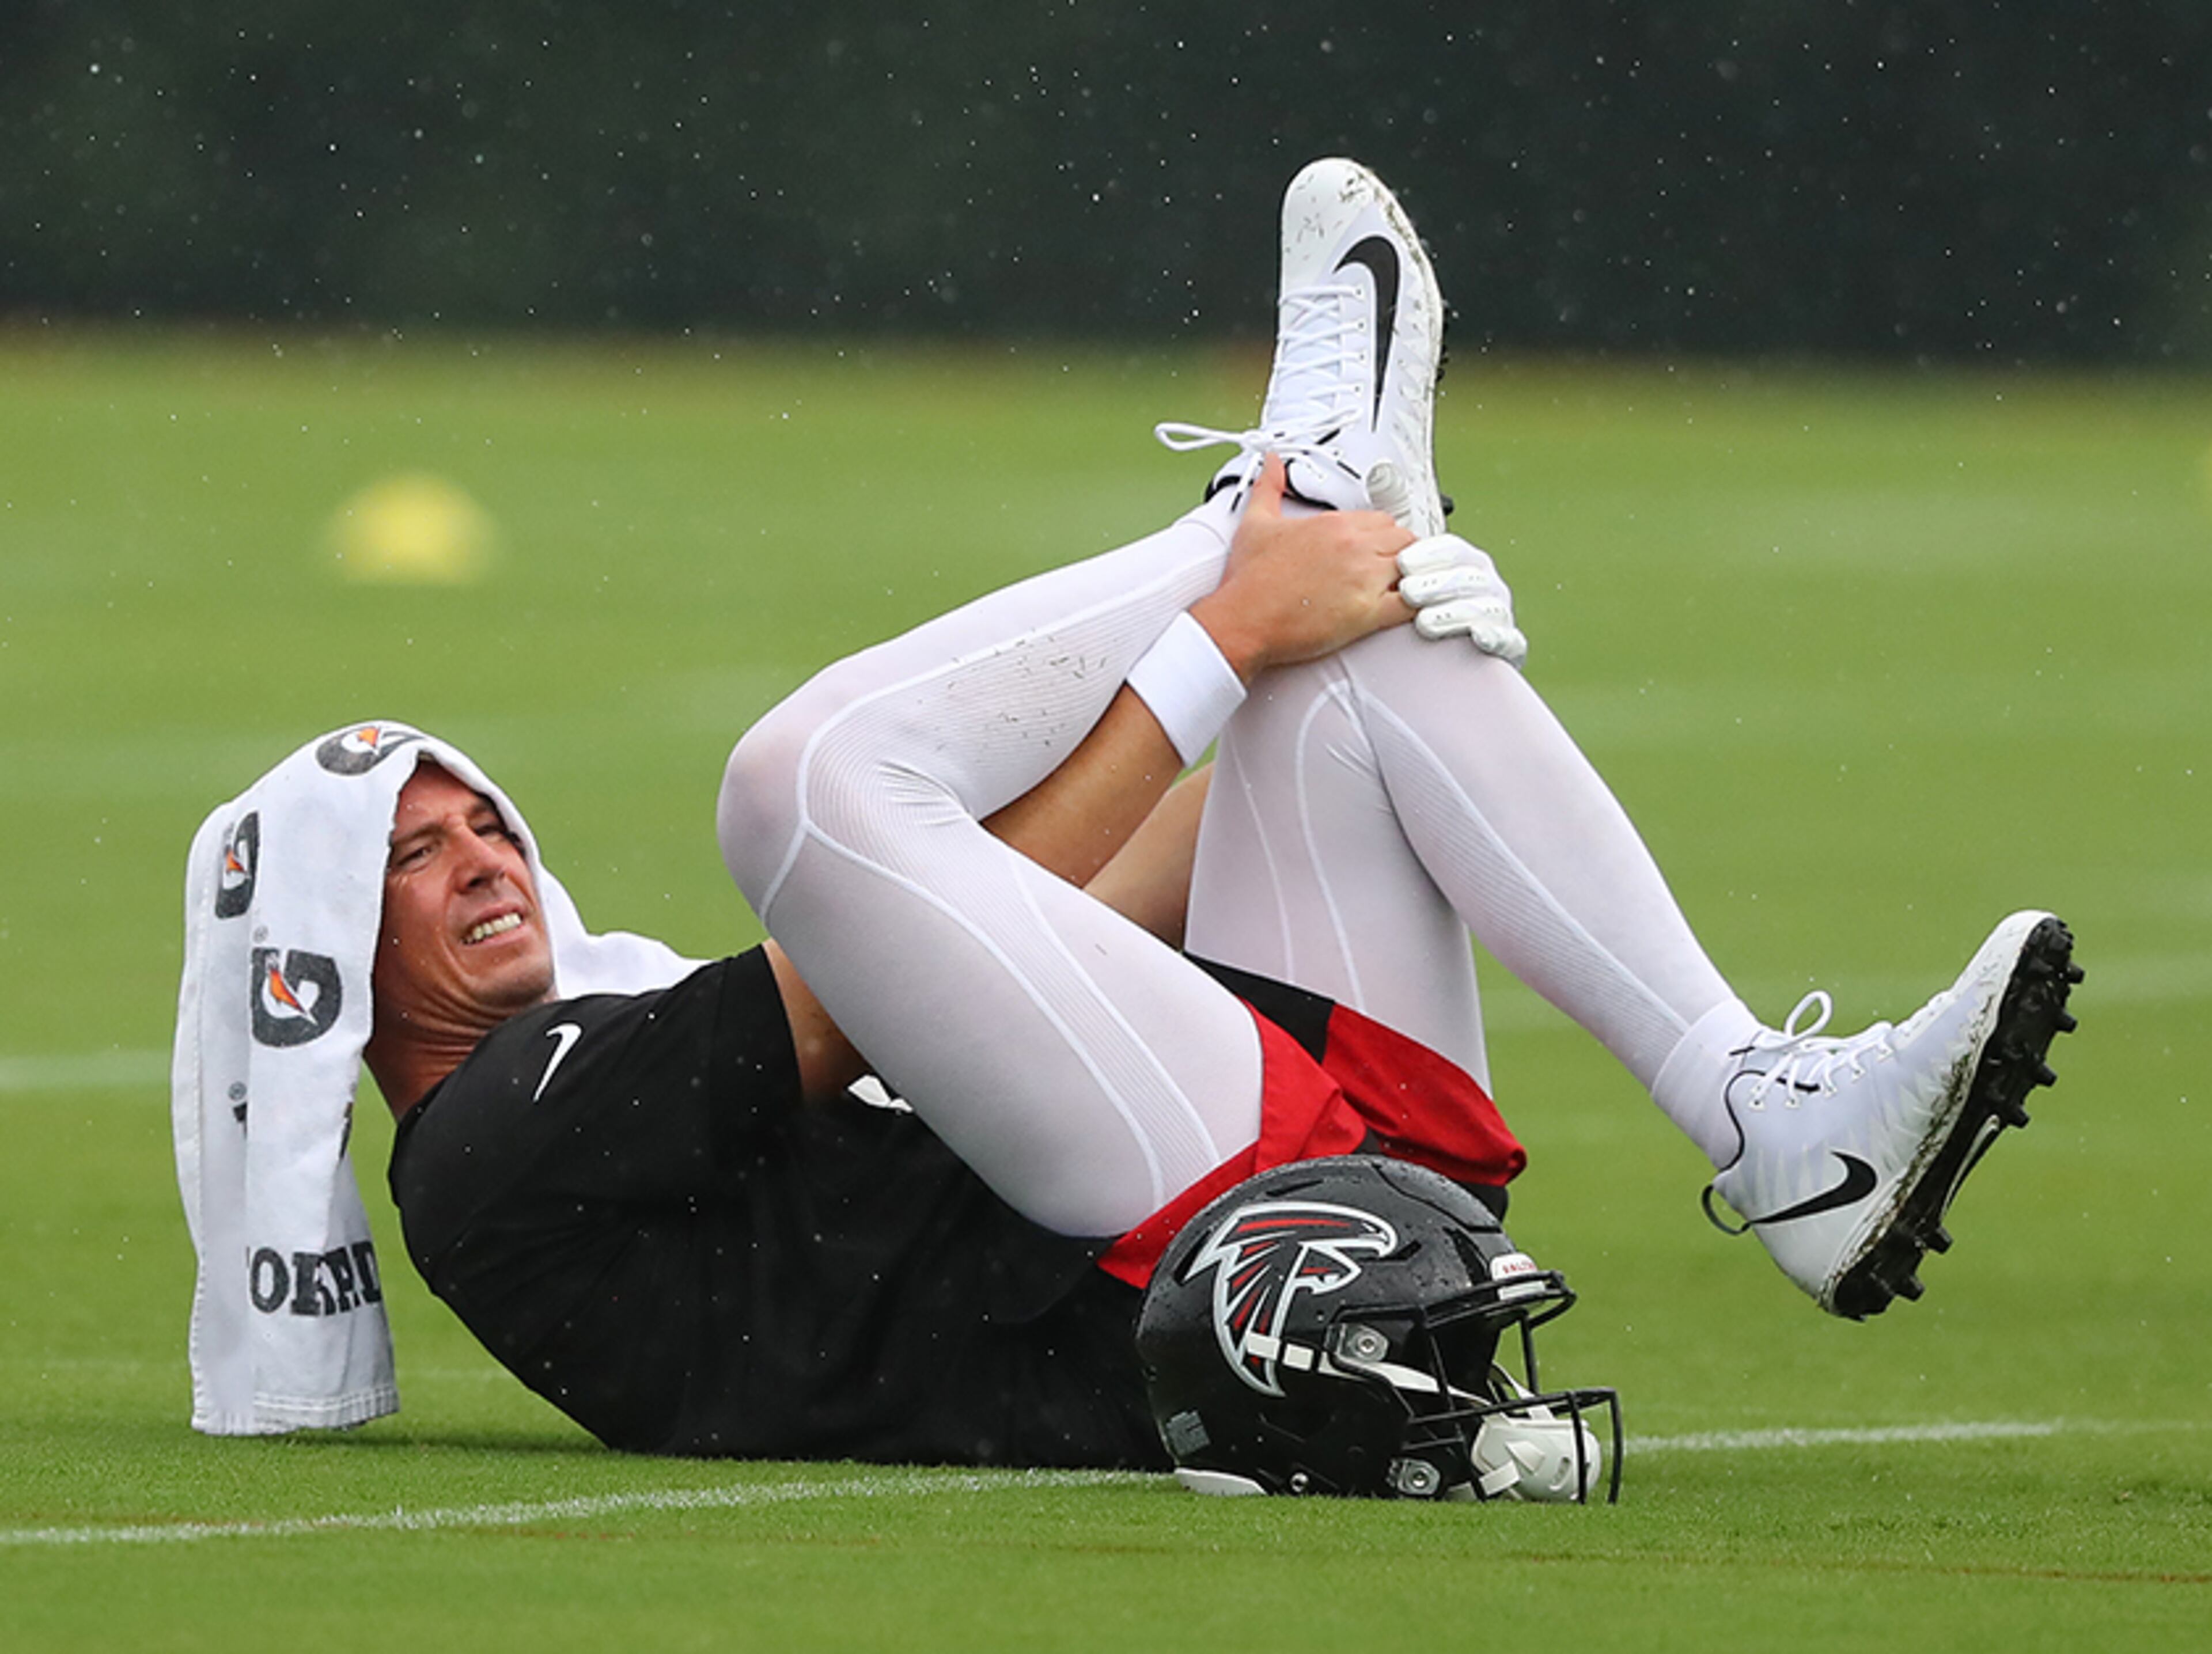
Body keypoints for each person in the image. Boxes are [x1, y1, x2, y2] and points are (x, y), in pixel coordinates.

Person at [183, 161, 2077, 1486]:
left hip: (1291, 1255)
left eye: (479, 819)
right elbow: (881, 958)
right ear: (321, 984)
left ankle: (1768, 1115)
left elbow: (1047, 930)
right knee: (798, 796)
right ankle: (1280, 501)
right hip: (1192, 1321)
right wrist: (1224, 617)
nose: (481, 857)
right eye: (409, 861)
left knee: (1349, 677)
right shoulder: (488, 1143)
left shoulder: (591, 1045)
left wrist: (1277, 653)